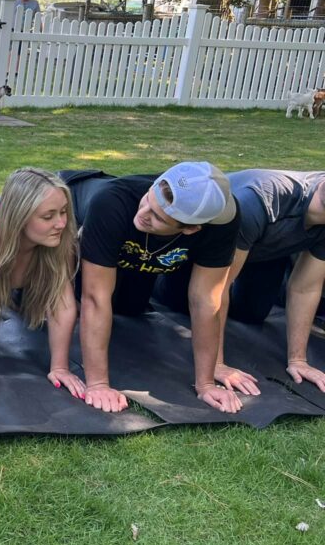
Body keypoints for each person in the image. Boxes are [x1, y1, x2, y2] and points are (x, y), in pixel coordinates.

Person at [61, 162, 242, 414]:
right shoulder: (113, 204)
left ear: (191, 228)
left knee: (129, 308)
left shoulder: (222, 221)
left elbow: (206, 300)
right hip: (76, 212)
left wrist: (206, 383)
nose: (144, 212)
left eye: (157, 216)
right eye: (148, 199)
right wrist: (98, 384)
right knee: (52, 302)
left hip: (138, 250)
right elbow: (95, 297)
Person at [155, 170, 325, 395]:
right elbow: (215, 289)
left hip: (264, 249)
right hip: (200, 250)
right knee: (177, 301)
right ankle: (157, 275)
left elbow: (305, 288)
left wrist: (299, 360)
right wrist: (216, 365)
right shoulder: (260, 201)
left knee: (251, 313)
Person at [0, 168, 84, 398]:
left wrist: (60, 367)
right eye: (48, 216)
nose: (61, 223)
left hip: (10, 265)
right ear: (20, 216)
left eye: (63, 212)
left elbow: (63, 302)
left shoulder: (59, 236)